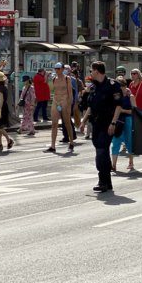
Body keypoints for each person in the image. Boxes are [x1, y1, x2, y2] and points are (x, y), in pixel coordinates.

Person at [79, 61, 123, 193]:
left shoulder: (112, 85)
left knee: (101, 151)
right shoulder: (94, 86)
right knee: (101, 150)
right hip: (96, 123)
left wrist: (113, 123)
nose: (90, 73)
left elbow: (118, 105)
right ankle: (108, 182)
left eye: (91, 71)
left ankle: (102, 181)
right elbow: (91, 107)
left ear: (97, 71)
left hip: (108, 123)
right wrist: (83, 121)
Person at [44, 62, 75, 153]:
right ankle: (53, 146)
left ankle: (71, 142)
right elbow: (50, 89)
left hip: (65, 100)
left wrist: (69, 104)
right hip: (56, 100)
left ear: (62, 69)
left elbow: (70, 92)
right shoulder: (54, 78)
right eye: (55, 68)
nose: (56, 70)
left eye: (58, 68)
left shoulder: (67, 78)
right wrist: (46, 77)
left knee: (67, 122)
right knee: (54, 124)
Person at [111, 77, 135, 172]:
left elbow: (135, 111)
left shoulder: (130, 97)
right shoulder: (116, 96)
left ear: (124, 86)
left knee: (129, 141)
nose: (118, 89)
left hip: (128, 120)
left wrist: (123, 110)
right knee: (115, 141)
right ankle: (113, 165)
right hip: (117, 120)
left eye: (120, 86)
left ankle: (131, 162)